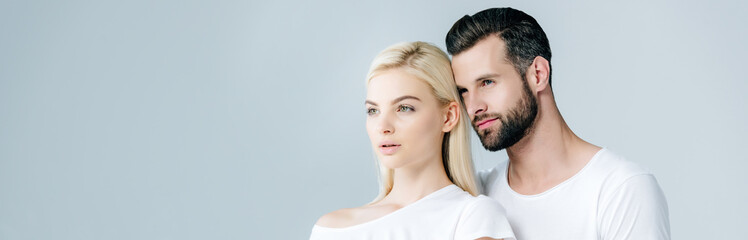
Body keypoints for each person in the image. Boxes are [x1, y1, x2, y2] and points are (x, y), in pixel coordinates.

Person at [445, 7, 671, 240]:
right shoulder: (476, 195)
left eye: (487, 82)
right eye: (463, 91)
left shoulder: (621, 189)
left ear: (538, 74)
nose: (473, 107)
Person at [310, 42, 515, 240]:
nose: (383, 126)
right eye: (373, 111)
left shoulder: (473, 218)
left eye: (404, 108)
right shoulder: (331, 228)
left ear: (448, 117)